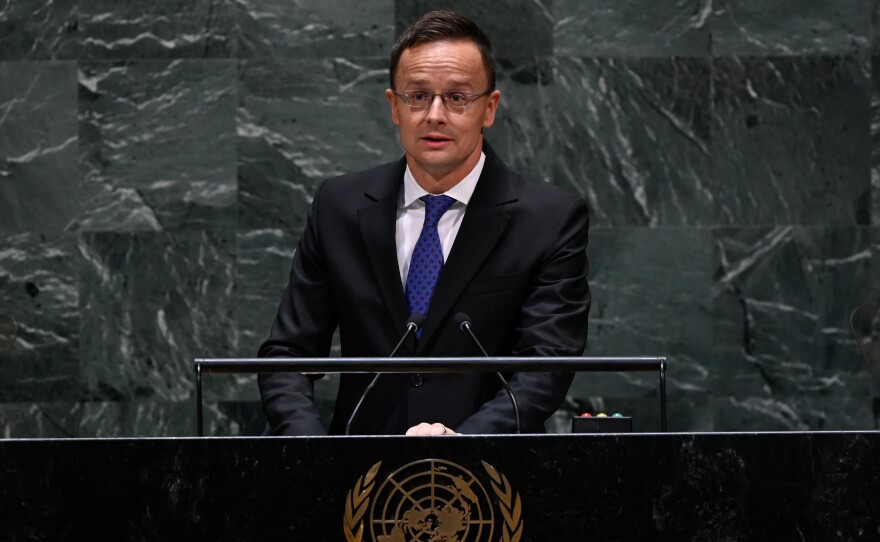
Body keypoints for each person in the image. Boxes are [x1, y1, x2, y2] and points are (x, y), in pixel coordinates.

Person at [258, 10, 590, 436]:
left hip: (488, 468)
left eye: (457, 97)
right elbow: (288, 353)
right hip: (360, 468)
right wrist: (312, 451)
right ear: (394, 106)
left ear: (489, 108)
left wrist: (463, 443)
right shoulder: (338, 207)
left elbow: (546, 365)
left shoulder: (549, 218)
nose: (435, 114)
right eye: (417, 96)